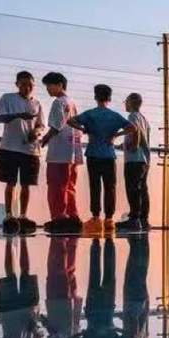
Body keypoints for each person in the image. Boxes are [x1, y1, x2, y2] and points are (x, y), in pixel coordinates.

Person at [68, 83, 133, 234]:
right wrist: (115, 135)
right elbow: (132, 127)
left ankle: (96, 218)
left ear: (95, 97)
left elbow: (70, 121)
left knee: (95, 186)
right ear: (109, 98)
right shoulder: (114, 116)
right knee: (110, 187)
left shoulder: (90, 114)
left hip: (93, 154)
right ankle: (109, 220)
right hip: (109, 155)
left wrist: (84, 129)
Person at [0, 71, 45, 232]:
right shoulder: (7, 98)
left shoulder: (37, 103)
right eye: (23, 84)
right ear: (17, 84)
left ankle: (23, 215)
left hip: (30, 149)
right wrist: (19, 115)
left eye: (30, 84)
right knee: (10, 182)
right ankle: (9, 215)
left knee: (26, 185)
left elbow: (41, 125)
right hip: (10, 147)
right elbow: (0, 117)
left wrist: (35, 133)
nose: (27, 87)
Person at [69, 237, 123, 338]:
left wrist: (115, 329)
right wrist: (83, 332)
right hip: (92, 309)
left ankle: (109, 243)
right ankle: (95, 242)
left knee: (109, 273)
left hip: (107, 307)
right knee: (94, 272)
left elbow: (129, 336)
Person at [0, 235, 43, 338]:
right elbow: (38, 334)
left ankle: (10, 241)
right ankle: (22, 240)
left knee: (11, 274)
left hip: (9, 312)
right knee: (24, 272)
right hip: (27, 310)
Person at [40, 72, 83, 233]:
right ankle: (73, 215)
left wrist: (45, 139)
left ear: (59, 84)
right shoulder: (71, 102)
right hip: (72, 150)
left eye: (49, 85)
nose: (48, 90)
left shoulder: (58, 102)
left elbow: (57, 125)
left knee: (56, 185)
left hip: (59, 151)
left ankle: (59, 217)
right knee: (70, 185)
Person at [42, 235, 81, 338]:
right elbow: (55, 333)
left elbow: (73, 328)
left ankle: (71, 237)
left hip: (67, 304)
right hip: (57, 304)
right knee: (56, 266)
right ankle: (60, 235)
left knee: (67, 270)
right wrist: (44, 322)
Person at [121, 92, 151, 230]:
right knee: (142, 189)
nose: (125, 104)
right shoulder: (144, 119)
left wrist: (133, 146)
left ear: (131, 102)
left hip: (134, 159)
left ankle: (134, 219)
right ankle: (144, 219)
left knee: (132, 188)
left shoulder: (132, 116)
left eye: (126, 101)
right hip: (144, 159)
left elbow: (136, 132)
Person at [121, 233, 150, 338]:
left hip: (142, 301)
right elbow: (134, 324)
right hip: (132, 301)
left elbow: (144, 321)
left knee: (141, 270)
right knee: (132, 268)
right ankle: (135, 242)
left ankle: (143, 242)